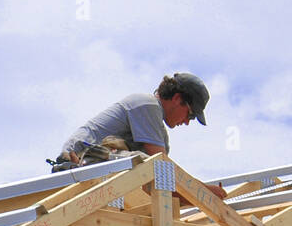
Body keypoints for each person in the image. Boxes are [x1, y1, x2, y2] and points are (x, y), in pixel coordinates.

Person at [52, 72, 228, 199]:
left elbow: (165, 179)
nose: (187, 122)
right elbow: (161, 166)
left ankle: (189, 198)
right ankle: (192, 197)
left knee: (158, 178)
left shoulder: (156, 124)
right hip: (83, 158)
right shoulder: (147, 105)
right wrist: (202, 191)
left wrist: (197, 193)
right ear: (176, 99)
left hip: (98, 161)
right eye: (189, 114)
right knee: (149, 165)